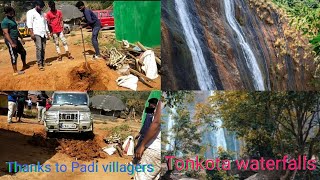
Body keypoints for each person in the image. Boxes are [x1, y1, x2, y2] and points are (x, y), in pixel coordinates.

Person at [134, 101, 161, 180]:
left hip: (153, 148)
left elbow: (156, 123)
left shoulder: (165, 99)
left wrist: (142, 145)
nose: (151, 105)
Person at [1, 6, 28, 76]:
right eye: (10, 12)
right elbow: (5, 33)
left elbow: (16, 30)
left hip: (16, 39)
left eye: (12, 12)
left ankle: (24, 65)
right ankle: (15, 71)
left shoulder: (12, 20)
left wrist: (21, 38)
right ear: (6, 13)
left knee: (23, 52)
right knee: (14, 55)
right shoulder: (4, 22)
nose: (12, 13)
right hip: (10, 40)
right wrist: (11, 43)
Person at [27, 0, 51, 71]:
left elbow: (45, 23)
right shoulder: (30, 12)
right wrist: (31, 33)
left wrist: (47, 32)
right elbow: (29, 23)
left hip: (43, 33)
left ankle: (43, 61)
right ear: (36, 5)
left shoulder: (43, 14)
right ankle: (39, 64)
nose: (41, 8)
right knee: (39, 48)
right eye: (40, 7)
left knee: (43, 48)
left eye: (42, 7)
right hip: (36, 32)